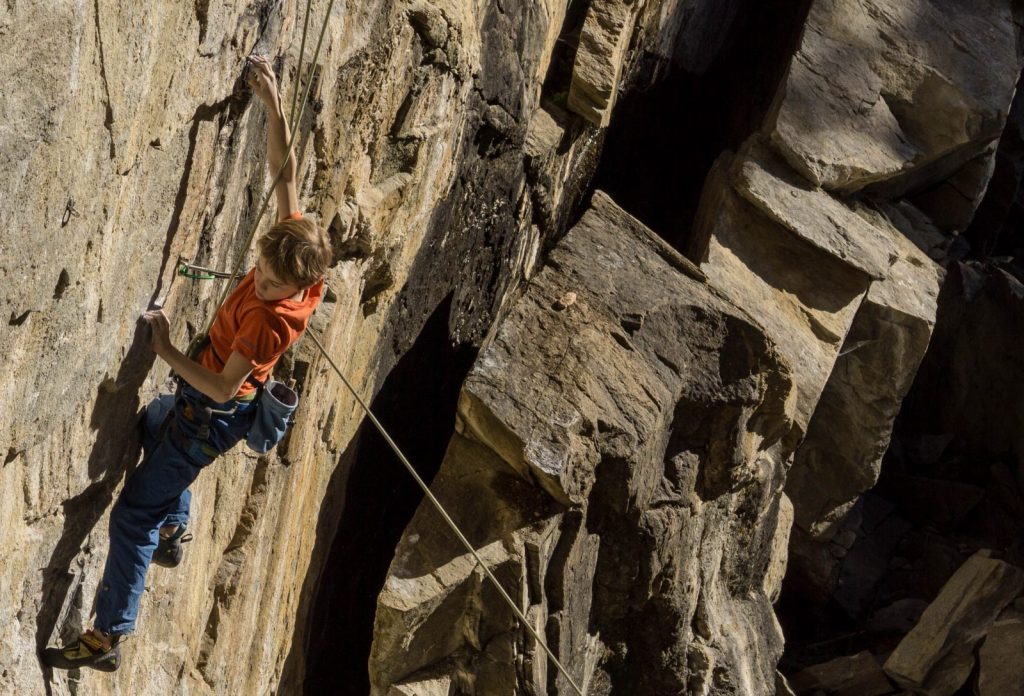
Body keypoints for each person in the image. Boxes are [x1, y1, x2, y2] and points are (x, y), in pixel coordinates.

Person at [43, 55, 332, 672]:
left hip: (212, 415)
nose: (262, 284)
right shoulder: (299, 252)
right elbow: (284, 173)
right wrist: (273, 104)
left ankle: (108, 637)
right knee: (150, 424)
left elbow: (226, 390)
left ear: (297, 285)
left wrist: (169, 350)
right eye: (264, 271)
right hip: (197, 414)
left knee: (132, 515)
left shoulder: (267, 320)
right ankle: (175, 529)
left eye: (275, 283)